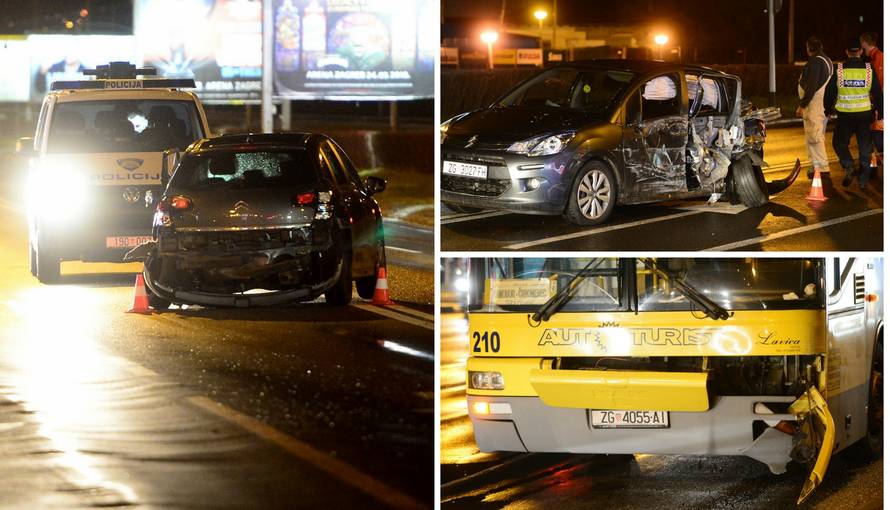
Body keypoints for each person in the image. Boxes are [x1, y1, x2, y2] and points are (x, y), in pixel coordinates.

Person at [824, 38, 883, 189]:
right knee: (865, 148)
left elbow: (829, 92)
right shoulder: (868, 70)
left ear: (847, 52)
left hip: (845, 116)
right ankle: (863, 181)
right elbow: (878, 93)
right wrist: (881, 112)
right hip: (864, 116)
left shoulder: (840, 70)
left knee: (839, 143)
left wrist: (827, 109)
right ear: (861, 51)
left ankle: (848, 165)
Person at [795, 37, 833, 179]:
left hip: (814, 105)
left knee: (814, 137)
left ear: (809, 48)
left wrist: (802, 105)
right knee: (816, 135)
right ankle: (816, 166)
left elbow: (811, 86)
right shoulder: (827, 60)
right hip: (822, 104)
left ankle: (821, 169)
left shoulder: (816, 62)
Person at [861, 32, 883, 177]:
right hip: (876, 103)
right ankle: (872, 167)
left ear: (865, 43)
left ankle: (874, 168)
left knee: (877, 136)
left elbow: (880, 84)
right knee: (872, 136)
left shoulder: (879, 58)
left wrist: (876, 105)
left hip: (878, 104)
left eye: (861, 43)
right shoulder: (873, 58)